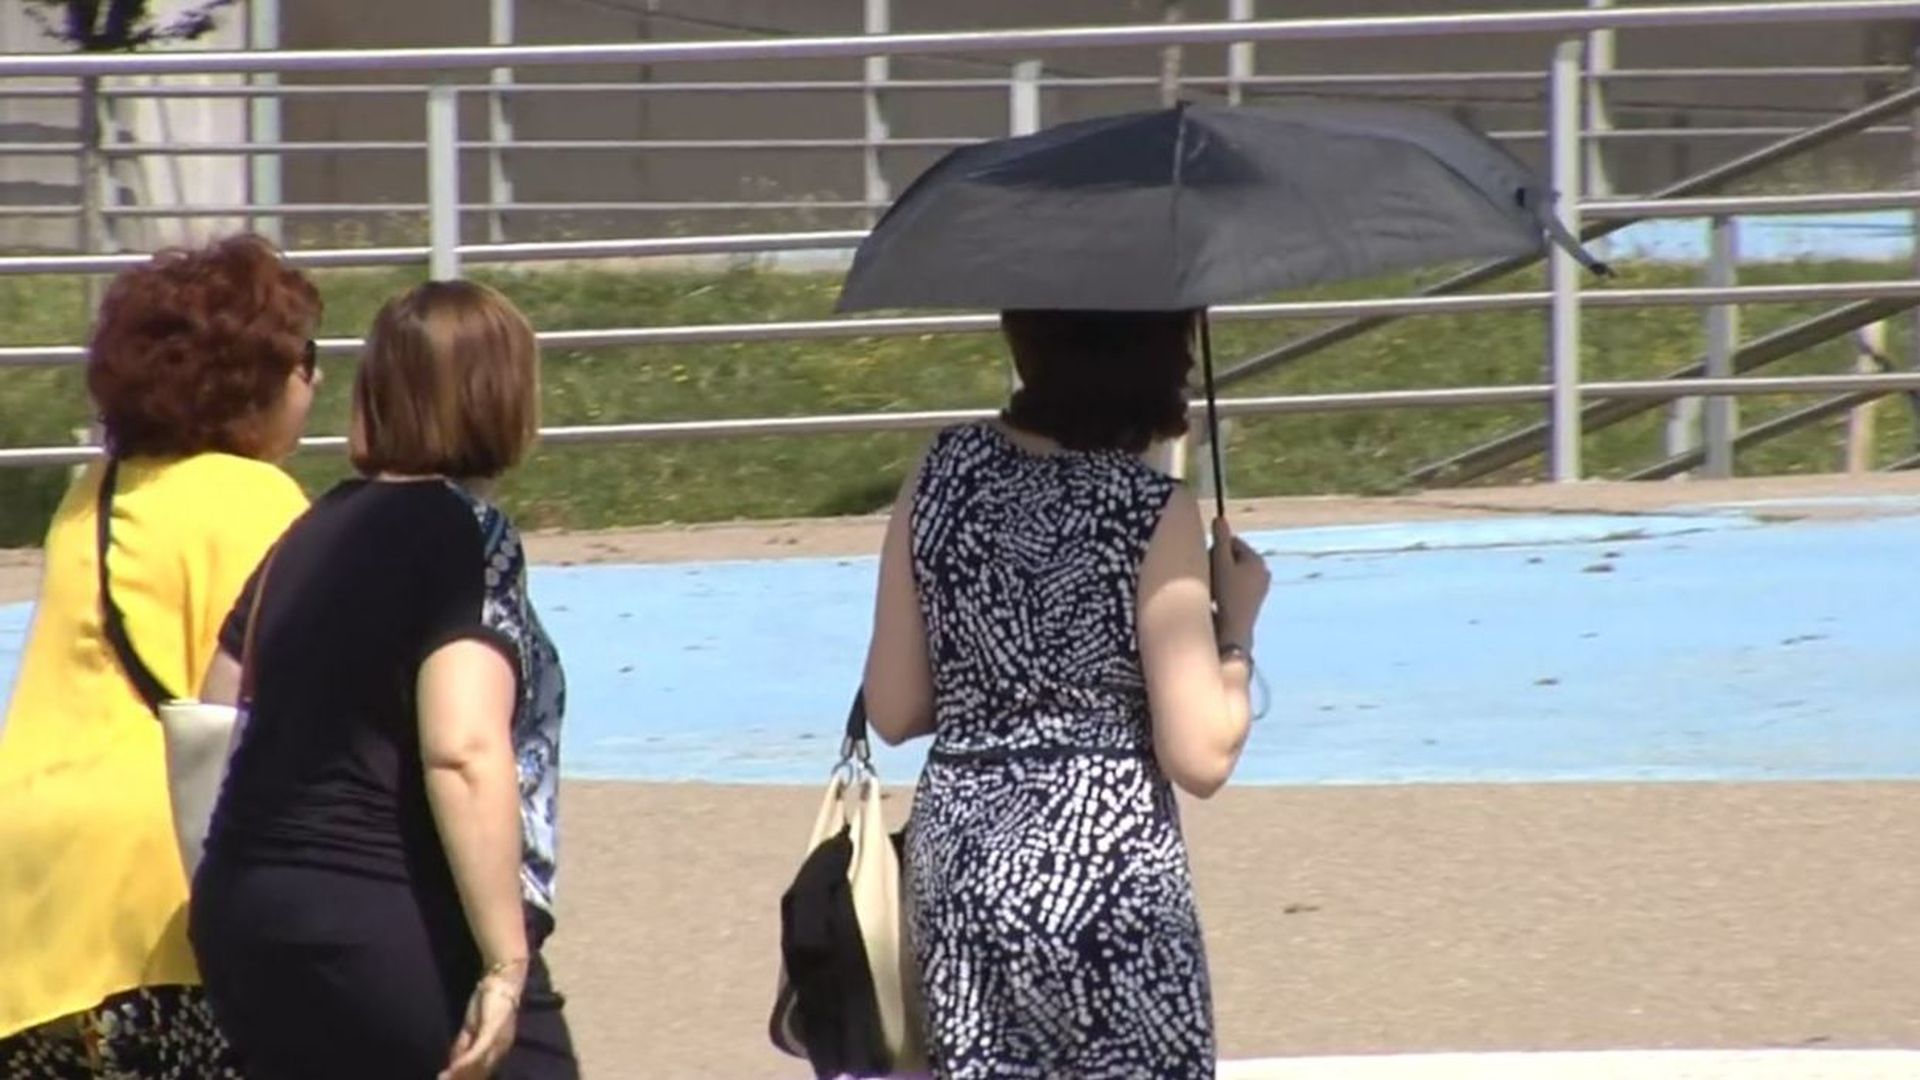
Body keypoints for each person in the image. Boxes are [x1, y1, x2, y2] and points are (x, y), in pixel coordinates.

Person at [860, 308, 1273, 1078]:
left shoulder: (943, 470)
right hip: (1107, 874)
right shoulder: (1149, 509)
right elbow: (1202, 752)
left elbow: (893, 706)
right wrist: (1236, 632)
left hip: (964, 861)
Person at [188, 279, 575, 1080]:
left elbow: (218, 706)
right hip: (394, 921)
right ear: (499, 395)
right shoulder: (470, 539)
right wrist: (504, 964)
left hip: (249, 913)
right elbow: (462, 748)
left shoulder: (307, 533)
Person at [0, 234, 322, 1077]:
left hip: (28, 887)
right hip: (157, 900)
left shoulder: (89, 495)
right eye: (303, 358)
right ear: (249, 381)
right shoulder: (259, 502)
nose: (315, 381)